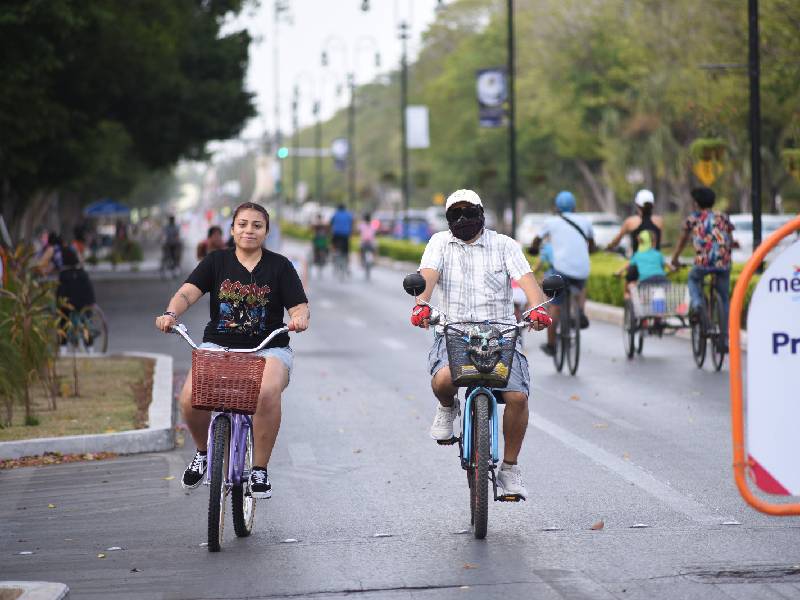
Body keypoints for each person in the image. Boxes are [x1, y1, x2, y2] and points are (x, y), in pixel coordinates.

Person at [155, 202, 310, 499]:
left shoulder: (280, 266)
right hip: (218, 346)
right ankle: (203, 453)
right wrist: (171, 315)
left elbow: (298, 305)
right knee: (189, 397)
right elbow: (188, 292)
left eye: (256, 225)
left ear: (266, 231)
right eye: (242, 224)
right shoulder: (216, 262)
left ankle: (260, 469)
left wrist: (299, 318)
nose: (249, 230)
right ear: (232, 229)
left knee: (265, 393)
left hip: (268, 349)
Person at [411, 189, 553, 499]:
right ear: (448, 220)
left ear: (482, 214)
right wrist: (421, 304)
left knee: (517, 397)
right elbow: (427, 278)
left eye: (468, 212)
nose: (462, 220)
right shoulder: (439, 243)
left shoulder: (505, 245)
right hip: (454, 332)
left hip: (501, 336)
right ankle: (448, 408)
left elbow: (528, 282)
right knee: (444, 380)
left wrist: (538, 309)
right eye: (455, 215)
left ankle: (510, 469)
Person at [529, 191, 595, 357]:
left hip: (561, 271)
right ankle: (580, 311)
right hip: (581, 270)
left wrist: (534, 248)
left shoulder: (551, 222)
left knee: (555, 306)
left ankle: (551, 345)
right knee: (581, 283)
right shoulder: (585, 221)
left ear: (556, 207)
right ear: (574, 207)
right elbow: (592, 246)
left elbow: (536, 240)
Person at [670, 187, 735, 352]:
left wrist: (675, 259)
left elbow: (683, 240)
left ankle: (698, 304)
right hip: (723, 263)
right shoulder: (723, 217)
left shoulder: (693, 218)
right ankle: (724, 340)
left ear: (696, 203)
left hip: (702, 263)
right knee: (724, 297)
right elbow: (730, 239)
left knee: (693, 279)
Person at [56, 246, 97, 351]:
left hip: (69, 305)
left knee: (63, 322)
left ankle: (63, 348)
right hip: (84, 304)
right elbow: (89, 290)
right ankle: (90, 348)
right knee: (86, 323)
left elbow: (60, 293)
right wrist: (91, 302)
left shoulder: (63, 275)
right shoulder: (83, 273)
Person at [615, 230, 671, 299]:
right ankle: (658, 308)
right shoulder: (658, 254)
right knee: (659, 298)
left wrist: (619, 272)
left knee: (635, 290)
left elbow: (628, 265)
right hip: (663, 280)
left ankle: (642, 306)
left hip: (646, 281)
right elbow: (666, 266)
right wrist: (673, 269)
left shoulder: (637, 255)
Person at [606, 189, 664, 254]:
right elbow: (660, 241)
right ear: (652, 205)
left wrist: (609, 247)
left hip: (637, 261)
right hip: (655, 261)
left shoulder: (630, 222)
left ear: (637, 204)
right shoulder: (659, 221)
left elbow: (617, 240)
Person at [329, 204, 354, 273]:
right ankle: (347, 267)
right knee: (346, 252)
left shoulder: (335, 214)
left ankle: (333, 255)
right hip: (345, 235)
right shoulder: (348, 215)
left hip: (336, 234)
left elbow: (331, 223)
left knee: (333, 246)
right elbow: (351, 223)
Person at [358, 212, 378, 278]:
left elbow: (359, 231)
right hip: (371, 243)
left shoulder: (362, 225)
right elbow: (375, 232)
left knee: (360, 251)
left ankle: (361, 262)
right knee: (375, 249)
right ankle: (375, 260)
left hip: (364, 243)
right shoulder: (373, 225)